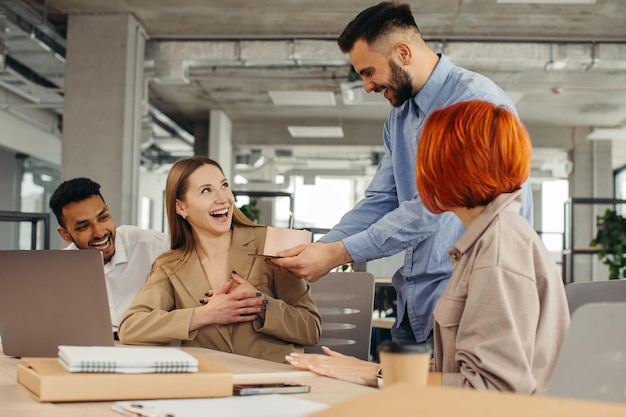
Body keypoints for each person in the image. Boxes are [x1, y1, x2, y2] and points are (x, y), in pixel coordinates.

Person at [270, 1, 533, 346]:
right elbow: (382, 198)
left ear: (404, 53)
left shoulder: (474, 102)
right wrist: (321, 249)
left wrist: (338, 255)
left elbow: (435, 207)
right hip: (414, 299)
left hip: (467, 297)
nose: (366, 86)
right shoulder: (401, 115)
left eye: (368, 72)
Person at [287, 99, 570, 393]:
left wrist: (374, 374)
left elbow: (491, 390)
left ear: (450, 167)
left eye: (425, 157)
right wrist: (376, 372)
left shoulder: (498, 248)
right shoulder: (487, 238)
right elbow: (457, 370)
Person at [118, 156, 322, 363]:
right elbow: (131, 327)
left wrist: (262, 304)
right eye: (206, 190)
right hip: (211, 382)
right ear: (181, 207)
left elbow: (311, 329)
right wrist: (204, 315)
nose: (223, 198)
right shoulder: (171, 266)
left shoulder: (269, 243)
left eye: (224, 185)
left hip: (272, 379)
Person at [49, 177, 170, 337]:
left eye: (103, 217)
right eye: (84, 226)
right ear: (65, 234)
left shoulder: (153, 246)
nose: (99, 232)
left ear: (108, 211)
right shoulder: (58, 271)